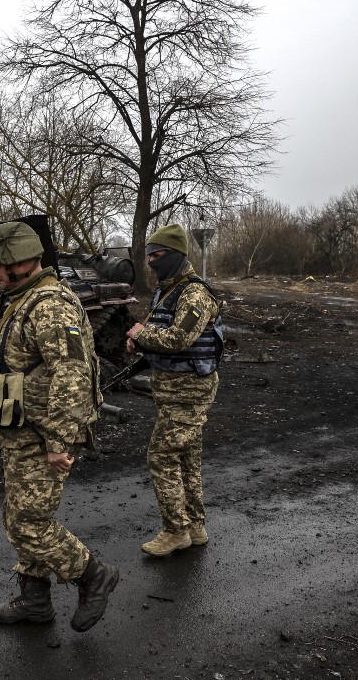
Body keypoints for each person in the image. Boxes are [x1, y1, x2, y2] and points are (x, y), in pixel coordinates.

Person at [0, 220, 119, 632]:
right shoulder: (24, 299)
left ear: (20, 260)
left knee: (29, 522)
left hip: (42, 436)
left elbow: (72, 375)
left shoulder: (51, 303)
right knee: (18, 516)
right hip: (21, 433)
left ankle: (94, 576)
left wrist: (59, 440)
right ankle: (35, 601)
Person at [125, 224, 224, 557]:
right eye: (149, 255)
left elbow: (180, 339)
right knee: (186, 460)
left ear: (177, 254)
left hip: (189, 391)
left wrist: (141, 335)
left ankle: (174, 531)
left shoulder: (194, 293)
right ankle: (194, 526)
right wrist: (140, 340)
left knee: (161, 456)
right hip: (173, 390)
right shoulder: (170, 288)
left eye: (158, 255)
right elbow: (160, 330)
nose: (152, 261)